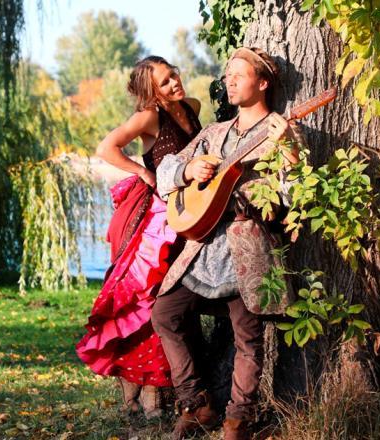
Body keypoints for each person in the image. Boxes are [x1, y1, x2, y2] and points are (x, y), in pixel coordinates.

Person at [152, 47, 303, 439]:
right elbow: (165, 170)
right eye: (227, 74)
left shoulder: (281, 133)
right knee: (165, 314)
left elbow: (295, 198)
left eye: (239, 74)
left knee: (247, 339)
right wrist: (188, 169)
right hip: (201, 247)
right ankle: (196, 403)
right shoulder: (214, 133)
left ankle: (238, 419)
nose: (229, 80)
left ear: (263, 83)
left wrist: (289, 151)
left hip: (248, 247)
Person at [75, 56, 202, 419]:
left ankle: (171, 387)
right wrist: (141, 173)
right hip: (161, 217)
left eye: (173, 74)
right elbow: (106, 148)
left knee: (179, 297)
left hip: (190, 211)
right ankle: (144, 390)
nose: (174, 83)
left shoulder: (191, 108)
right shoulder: (149, 116)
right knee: (148, 299)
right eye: (164, 82)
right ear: (152, 92)